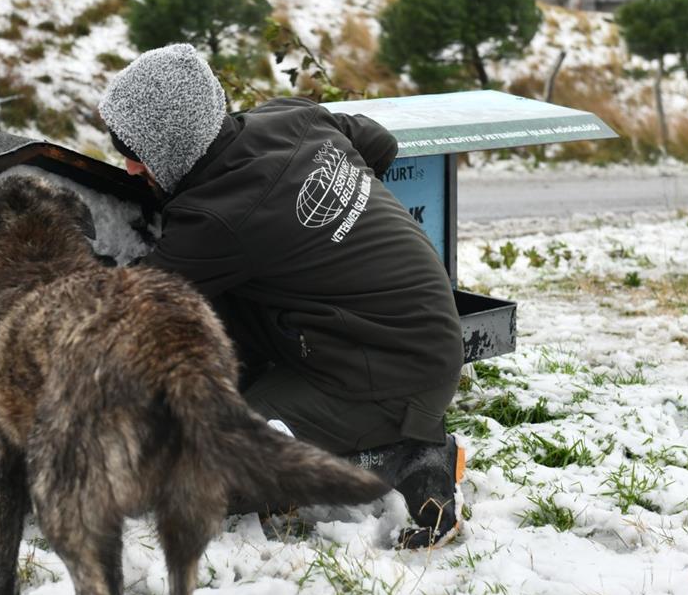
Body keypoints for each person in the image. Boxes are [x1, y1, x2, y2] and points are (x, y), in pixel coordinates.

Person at [98, 44, 464, 548]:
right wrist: (332, 228)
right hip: (408, 327)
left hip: (386, 371)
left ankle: (406, 455)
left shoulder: (217, 219)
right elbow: (379, 143)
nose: (130, 168)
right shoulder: (287, 116)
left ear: (171, 146)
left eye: (135, 154)